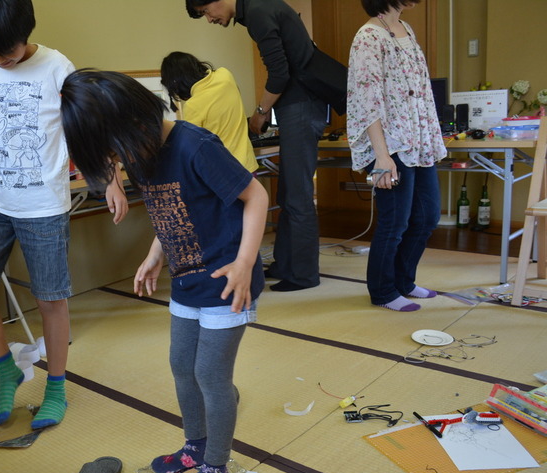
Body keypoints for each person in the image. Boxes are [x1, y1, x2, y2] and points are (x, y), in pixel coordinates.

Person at [60, 69, 268, 473]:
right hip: (186, 279)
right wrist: (156, 254)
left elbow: (257, 196)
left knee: (211, 375)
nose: (118, 160)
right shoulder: (141, 150)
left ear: (136, 121)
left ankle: (216, 465)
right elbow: (172, 210)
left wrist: (245, 263)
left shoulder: (196, 146)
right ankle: (195, 447)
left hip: (228, 281)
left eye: (115, 151)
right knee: (181, 366)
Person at [0, 0, 127, 427]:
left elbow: (84, 128)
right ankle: (7, 370)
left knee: (50, 299)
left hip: (43, 206)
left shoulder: (57, 67)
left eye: (8, 53)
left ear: (27, 31)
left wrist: (109, 177)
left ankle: (56, 387)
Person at [185, 0, 329, 292]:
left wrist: (261, 113)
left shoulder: (259, 12)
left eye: (205, 12)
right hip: (297, 106)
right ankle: (285, 264)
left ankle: (303, 275)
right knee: (288, 193)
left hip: (301, 106)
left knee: (298, 196)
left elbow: (279, 73)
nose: (209, 19)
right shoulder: (256, 10)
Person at [346, 0, 444, 312]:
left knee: (427, 216)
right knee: (395, 222)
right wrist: (382, 157)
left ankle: (403, 282)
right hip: (391, 144)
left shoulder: (406, 28)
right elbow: (367, 100)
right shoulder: (368, 37)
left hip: (418, 141)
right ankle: (383, 291)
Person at [160, 51, 258, 173]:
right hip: (248, 166)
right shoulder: (225, 75)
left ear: (176, 83)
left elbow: (191, 148)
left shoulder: (193, 105)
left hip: (222, 172)